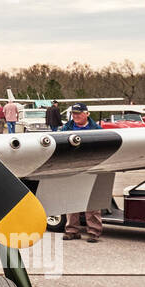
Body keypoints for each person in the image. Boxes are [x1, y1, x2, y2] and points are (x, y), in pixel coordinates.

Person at [62, 103, 104, 241]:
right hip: (72, 168)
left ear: (87, 114)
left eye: (78, 113)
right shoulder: (66, 128)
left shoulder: (97, 129)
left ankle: (94, 231)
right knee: (71, 199)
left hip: (90, 167)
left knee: (92, 201)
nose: (75, 116)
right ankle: (71, 230)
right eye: (73, 113)